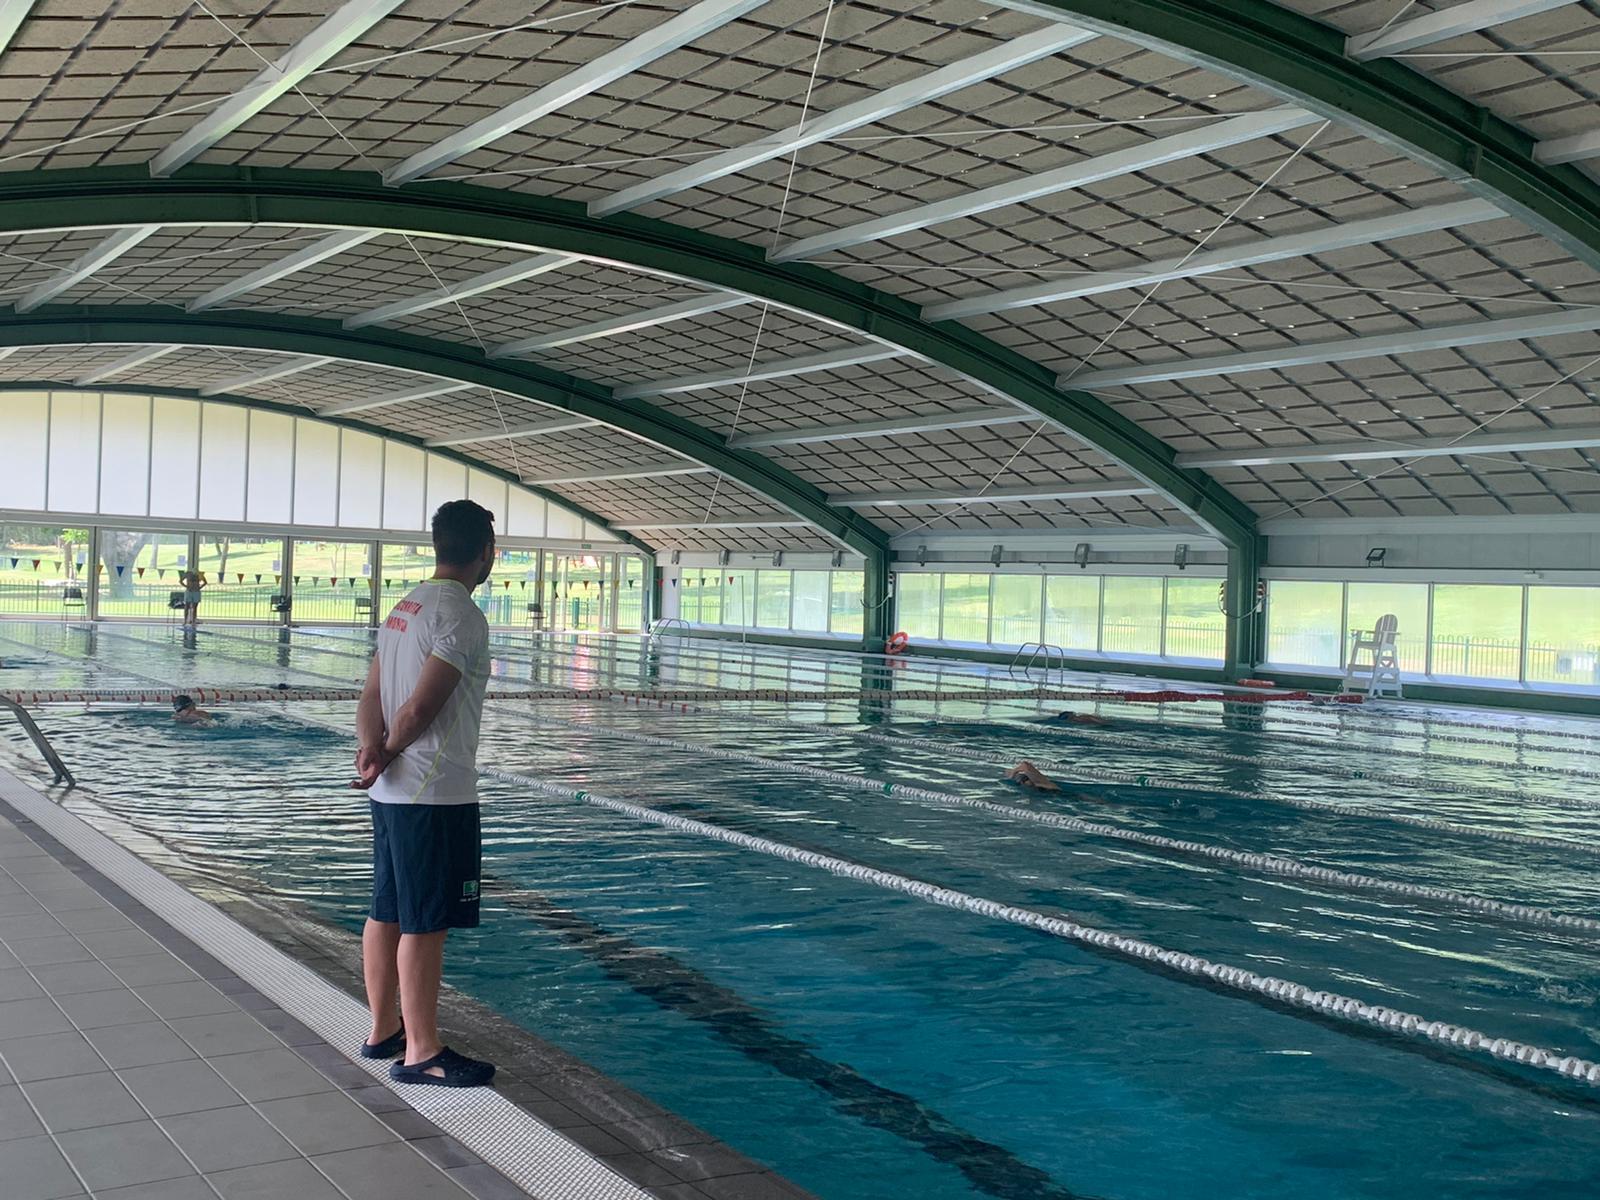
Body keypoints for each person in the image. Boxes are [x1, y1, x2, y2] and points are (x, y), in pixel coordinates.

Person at [351, 499, 497, 1089]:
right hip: (433, 793)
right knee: (425, 922)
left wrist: (371, 751)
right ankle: (421, 1051)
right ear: (486, 553)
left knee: (386, 908)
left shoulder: (403, 607)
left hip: (389, 792)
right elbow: (420, 706)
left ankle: (383, 1028)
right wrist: (387, 749)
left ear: (438, 545)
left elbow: (372, 693)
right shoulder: (460, 615)